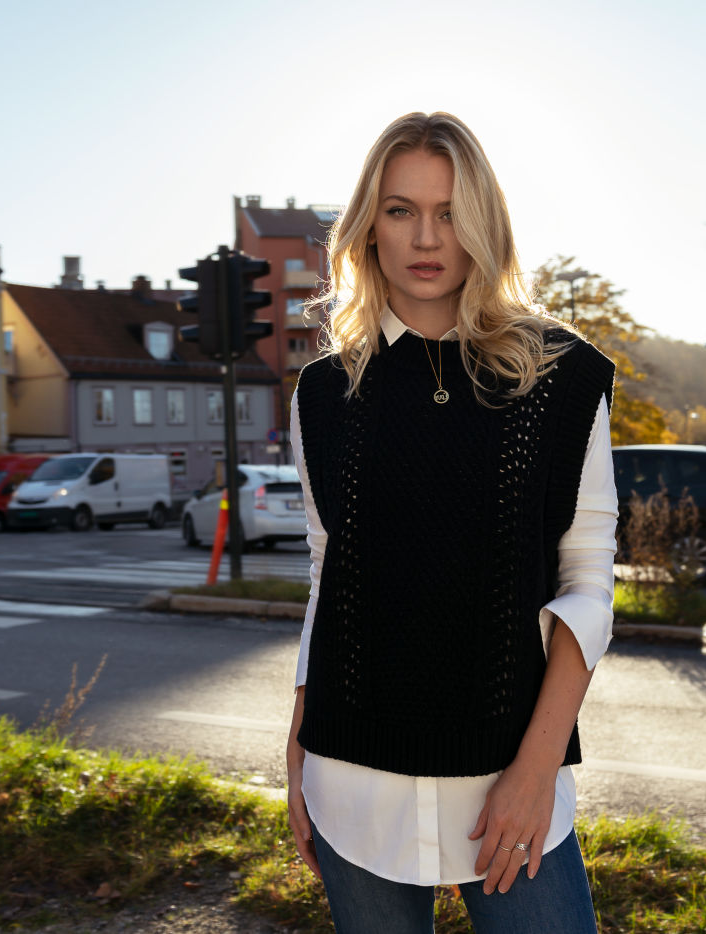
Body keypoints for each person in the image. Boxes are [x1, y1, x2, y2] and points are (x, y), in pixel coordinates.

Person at [286, 111, 619, 934]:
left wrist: (536, 768)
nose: (426, 237)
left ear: (483, 222)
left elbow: (586, 583)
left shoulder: (562, 376)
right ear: (368, 227)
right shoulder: (323, 394)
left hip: (509, 781)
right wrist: (297, 746)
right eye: (400, 210)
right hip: (350, 778)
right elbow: (328, 575)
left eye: (448, 211)